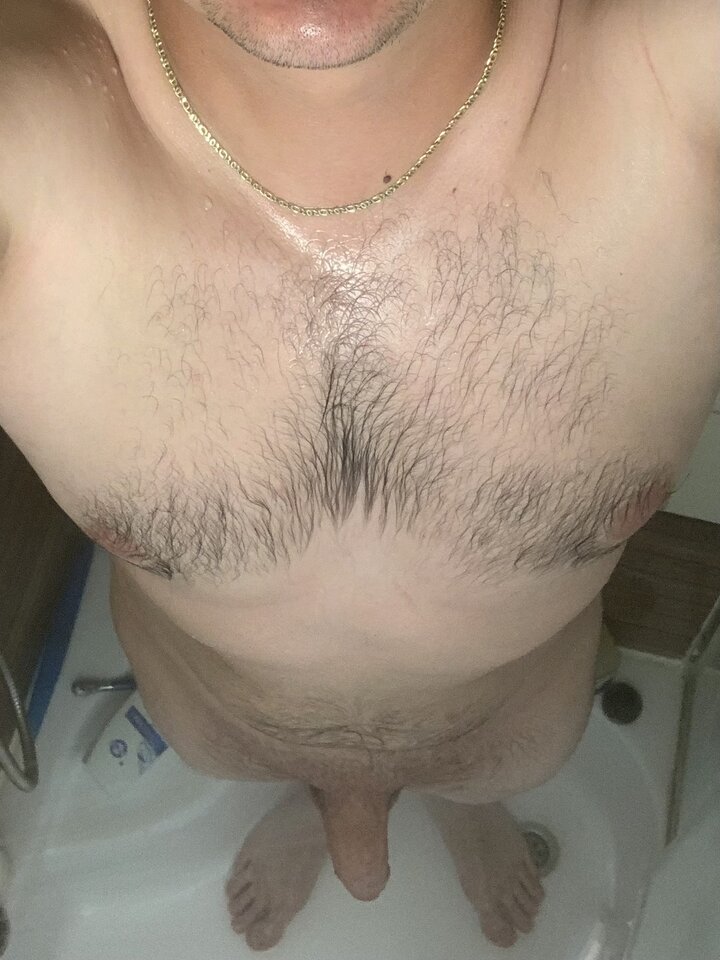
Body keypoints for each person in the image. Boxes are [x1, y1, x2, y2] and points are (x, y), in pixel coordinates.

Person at [0, 0, 718, 950]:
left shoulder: (675, 80)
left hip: (502, 734)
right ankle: (323, 805)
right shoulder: (32, 124)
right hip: (224, 726)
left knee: (469, 789)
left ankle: (453, 807)